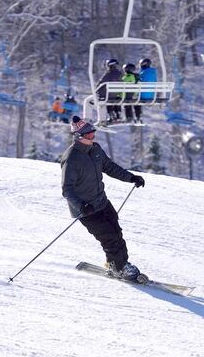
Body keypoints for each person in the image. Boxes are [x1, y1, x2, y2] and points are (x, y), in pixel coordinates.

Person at [60, 116, 145, 280]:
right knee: (109, 238)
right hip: (86, 209)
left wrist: (131, 177)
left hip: (102, 202)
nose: (93, 137)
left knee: (117, 233)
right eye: (89, 135)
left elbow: (110, 167)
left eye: (93, 134)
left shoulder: (96, 149)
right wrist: (81, 206)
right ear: (79, 137)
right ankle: (119, 269)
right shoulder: (71, 158)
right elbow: (66, 189)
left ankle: (116, 263)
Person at [96, 59, 123, 123]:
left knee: (107, 99)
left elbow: (101, 83)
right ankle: (118, 114)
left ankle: (111, 115)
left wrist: (97, 90)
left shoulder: (108, 74)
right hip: (118, 95)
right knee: (116, 99)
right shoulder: (120, 74)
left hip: (109, 95)